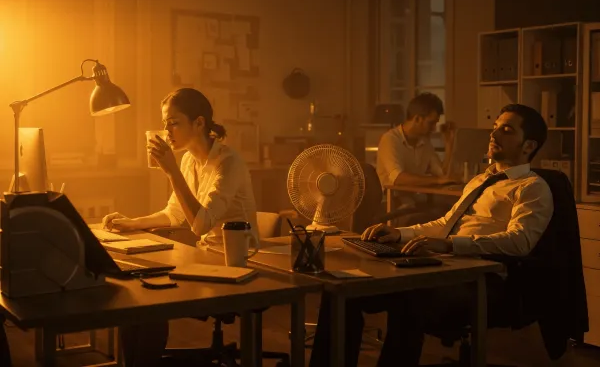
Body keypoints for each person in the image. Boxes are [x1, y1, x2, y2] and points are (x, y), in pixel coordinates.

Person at [309, 104, 554, 367]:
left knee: (410, 297)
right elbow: (445, 223)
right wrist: (399, 233)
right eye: (495, 127)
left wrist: (449, 245)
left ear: (528, 146)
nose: (493, 135)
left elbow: (519, 242)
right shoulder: (480, 180)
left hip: (481, 277)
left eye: (506, 130)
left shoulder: (532, 188)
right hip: (443, 266)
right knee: (343, 291)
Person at [102, 87, 258, 367]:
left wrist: (171, 171)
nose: (166, 131)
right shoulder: (189, 160)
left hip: (237, 262)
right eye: (165, 123)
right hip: (206, 257)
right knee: (135, 295)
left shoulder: (228, 163)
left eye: (174, 123)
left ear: (199, 123)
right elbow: (175, 214)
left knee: (152, 300)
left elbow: (200, 225)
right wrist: (131, 222)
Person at [376, 92, 459, 223]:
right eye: (431, 123)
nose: (433, 129)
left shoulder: (425, 142)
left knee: (451, 214)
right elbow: (398, 178)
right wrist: (438, 180)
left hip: (413, 201)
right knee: (435, 218)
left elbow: (443, 175)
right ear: (417, 119)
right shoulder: (390, 139)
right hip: (390, 203)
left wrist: (449, 145)